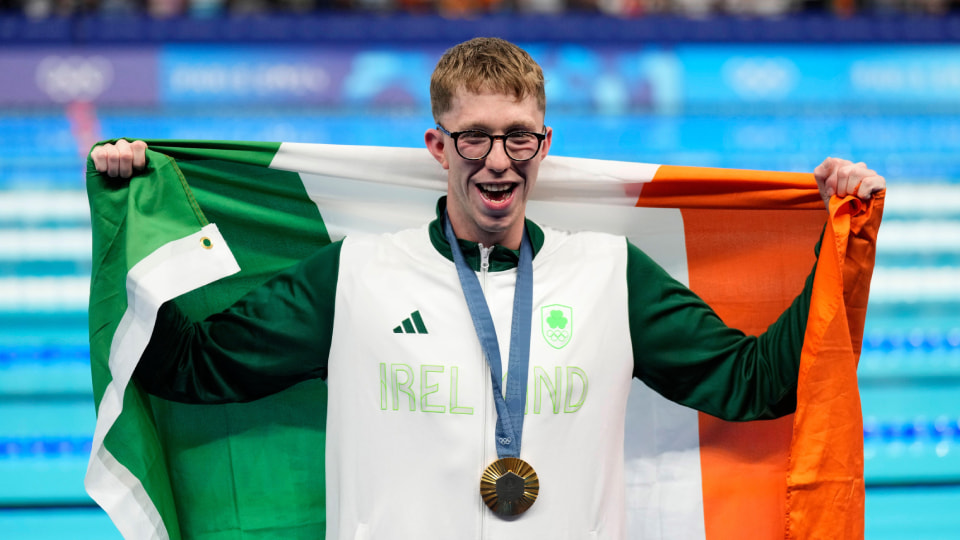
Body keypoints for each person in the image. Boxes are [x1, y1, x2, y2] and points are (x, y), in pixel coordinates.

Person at [92, 37, 885, 539]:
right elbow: (191, 367)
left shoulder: (611, 274)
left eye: (517, 136)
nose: (497, 159)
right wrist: (136, 211)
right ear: (439, 145)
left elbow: (759, 384)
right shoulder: (357, 274)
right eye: (474, 135)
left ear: (545, 144)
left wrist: (836, 245)